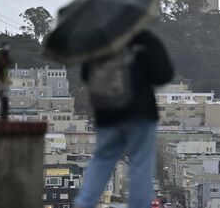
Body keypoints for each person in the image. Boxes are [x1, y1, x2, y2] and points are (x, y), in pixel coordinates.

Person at [74, 30, 174, 208]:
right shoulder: (145, 39)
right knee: (140, 165)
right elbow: (164, 74)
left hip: (107, 113)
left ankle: (83, 204)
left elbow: (85, 74)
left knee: (102, 160)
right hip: (141, 112)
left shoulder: (98, 42)